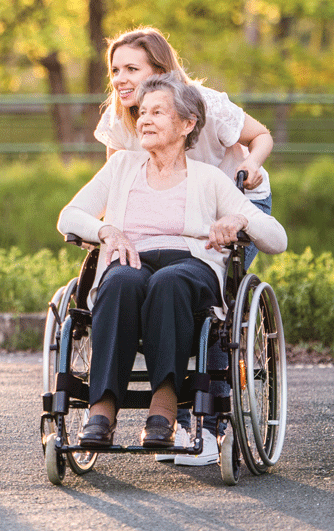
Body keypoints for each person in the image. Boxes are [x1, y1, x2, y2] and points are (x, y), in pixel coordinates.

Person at [57, 74, 287, 452]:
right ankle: (102, 407)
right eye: (142, 112)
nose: (144, 119)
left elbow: (277, 238)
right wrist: (106, 230)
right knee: (118, 283)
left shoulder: (209, 179)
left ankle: (163, 405)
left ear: (187, 124)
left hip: (189, 266)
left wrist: (241, 220)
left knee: (170, 282)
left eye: (158, 112)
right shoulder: (121, 167)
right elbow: (69, 216)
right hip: (131, 258)